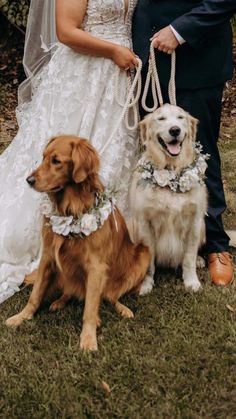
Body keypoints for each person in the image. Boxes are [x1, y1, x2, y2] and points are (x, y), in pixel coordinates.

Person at [0, 0, 140, 304]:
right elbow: (65, 32)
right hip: (85, 74)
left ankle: (106, 242)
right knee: (70, 157)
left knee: (117, 154)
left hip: (118, 77)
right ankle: (55, 244)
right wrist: (114, 51)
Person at [133, 0, 236, 286]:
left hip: (196, 59)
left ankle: (215, 245)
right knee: (151, 157)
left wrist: (180, 30)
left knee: (201, 155)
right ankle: (152, 246)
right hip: (145, 62)